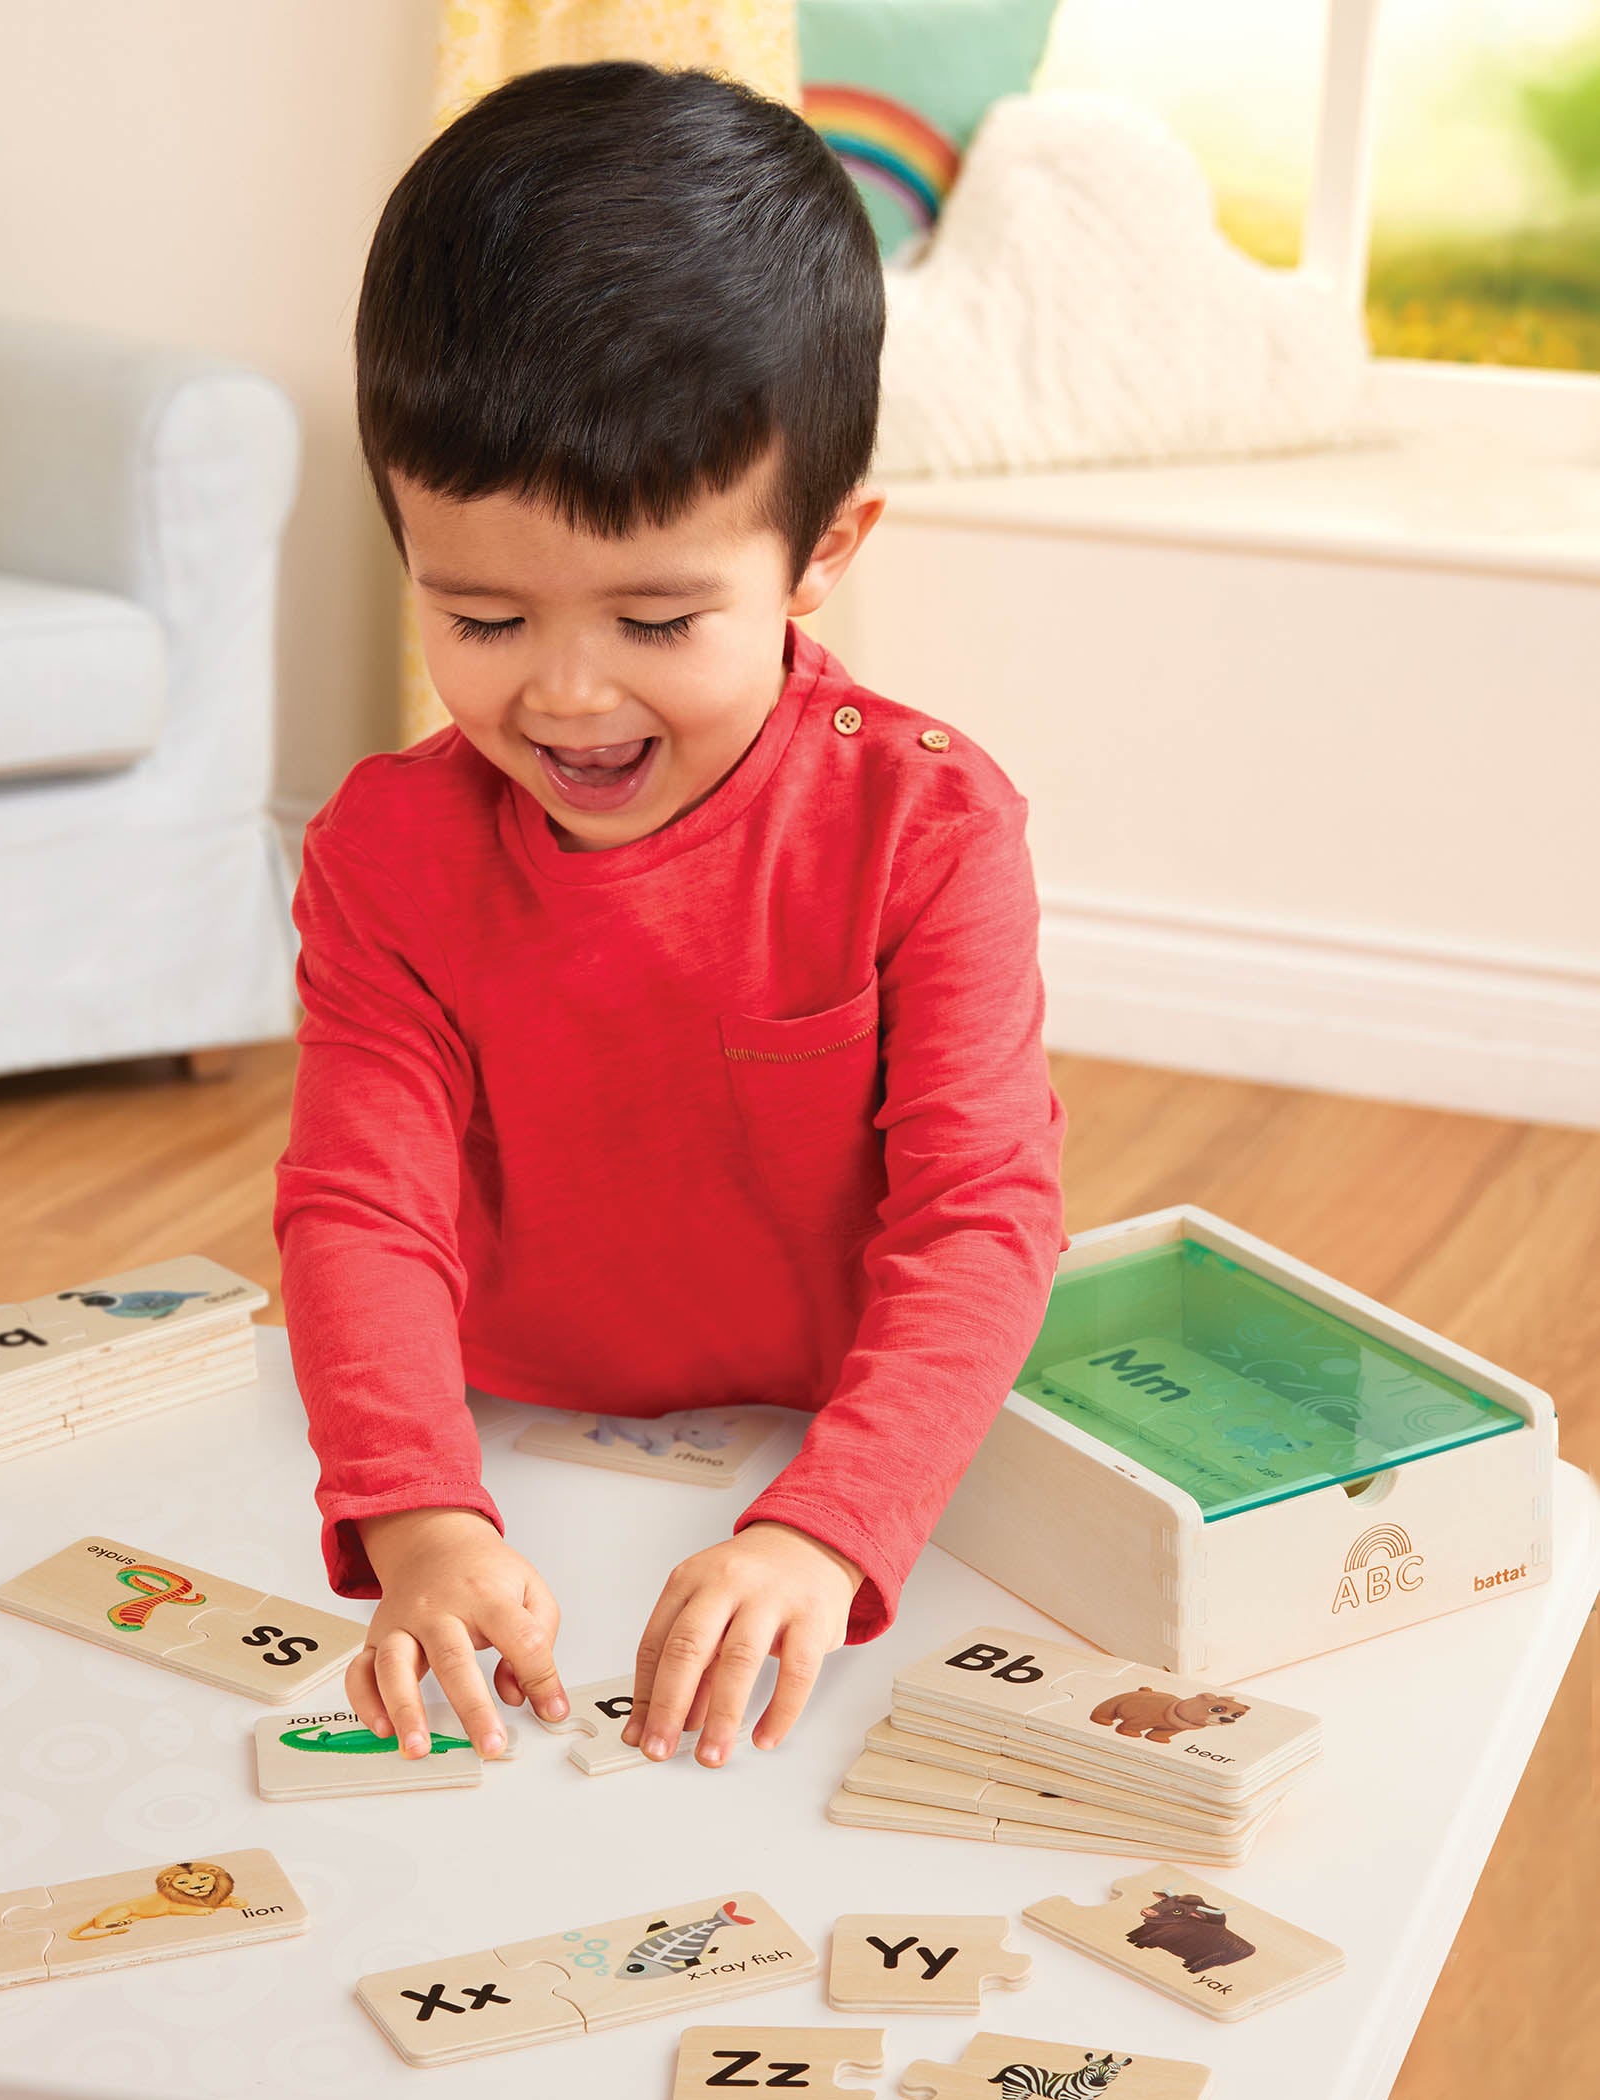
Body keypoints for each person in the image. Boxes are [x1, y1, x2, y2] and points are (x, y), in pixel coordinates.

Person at [274, 61, 1065, 1774]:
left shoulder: (928, 827)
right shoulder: (387, 854)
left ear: (821, 551)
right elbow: (363, 1207)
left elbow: (980, 1221)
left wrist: (825, 1527)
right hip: (501, 1449)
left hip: (837, 1454)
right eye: (478, 615)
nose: (565, 697)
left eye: (655, 618)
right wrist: (421, 1520)